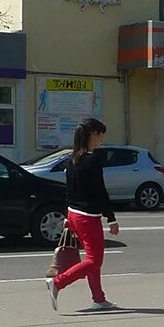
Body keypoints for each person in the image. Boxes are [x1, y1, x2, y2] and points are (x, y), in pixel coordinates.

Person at [46, 117, 119, 312]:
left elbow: (68, 190)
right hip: (88, 217)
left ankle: (98, 298)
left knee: (90, 259)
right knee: (94, 260)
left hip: (74, 214)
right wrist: (111, 218)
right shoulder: (92, 159)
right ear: (93, 134)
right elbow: (100, 191)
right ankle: (58, 283)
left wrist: (67, 216)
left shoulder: (72, 159)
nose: (101, 140)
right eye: (100, 135)